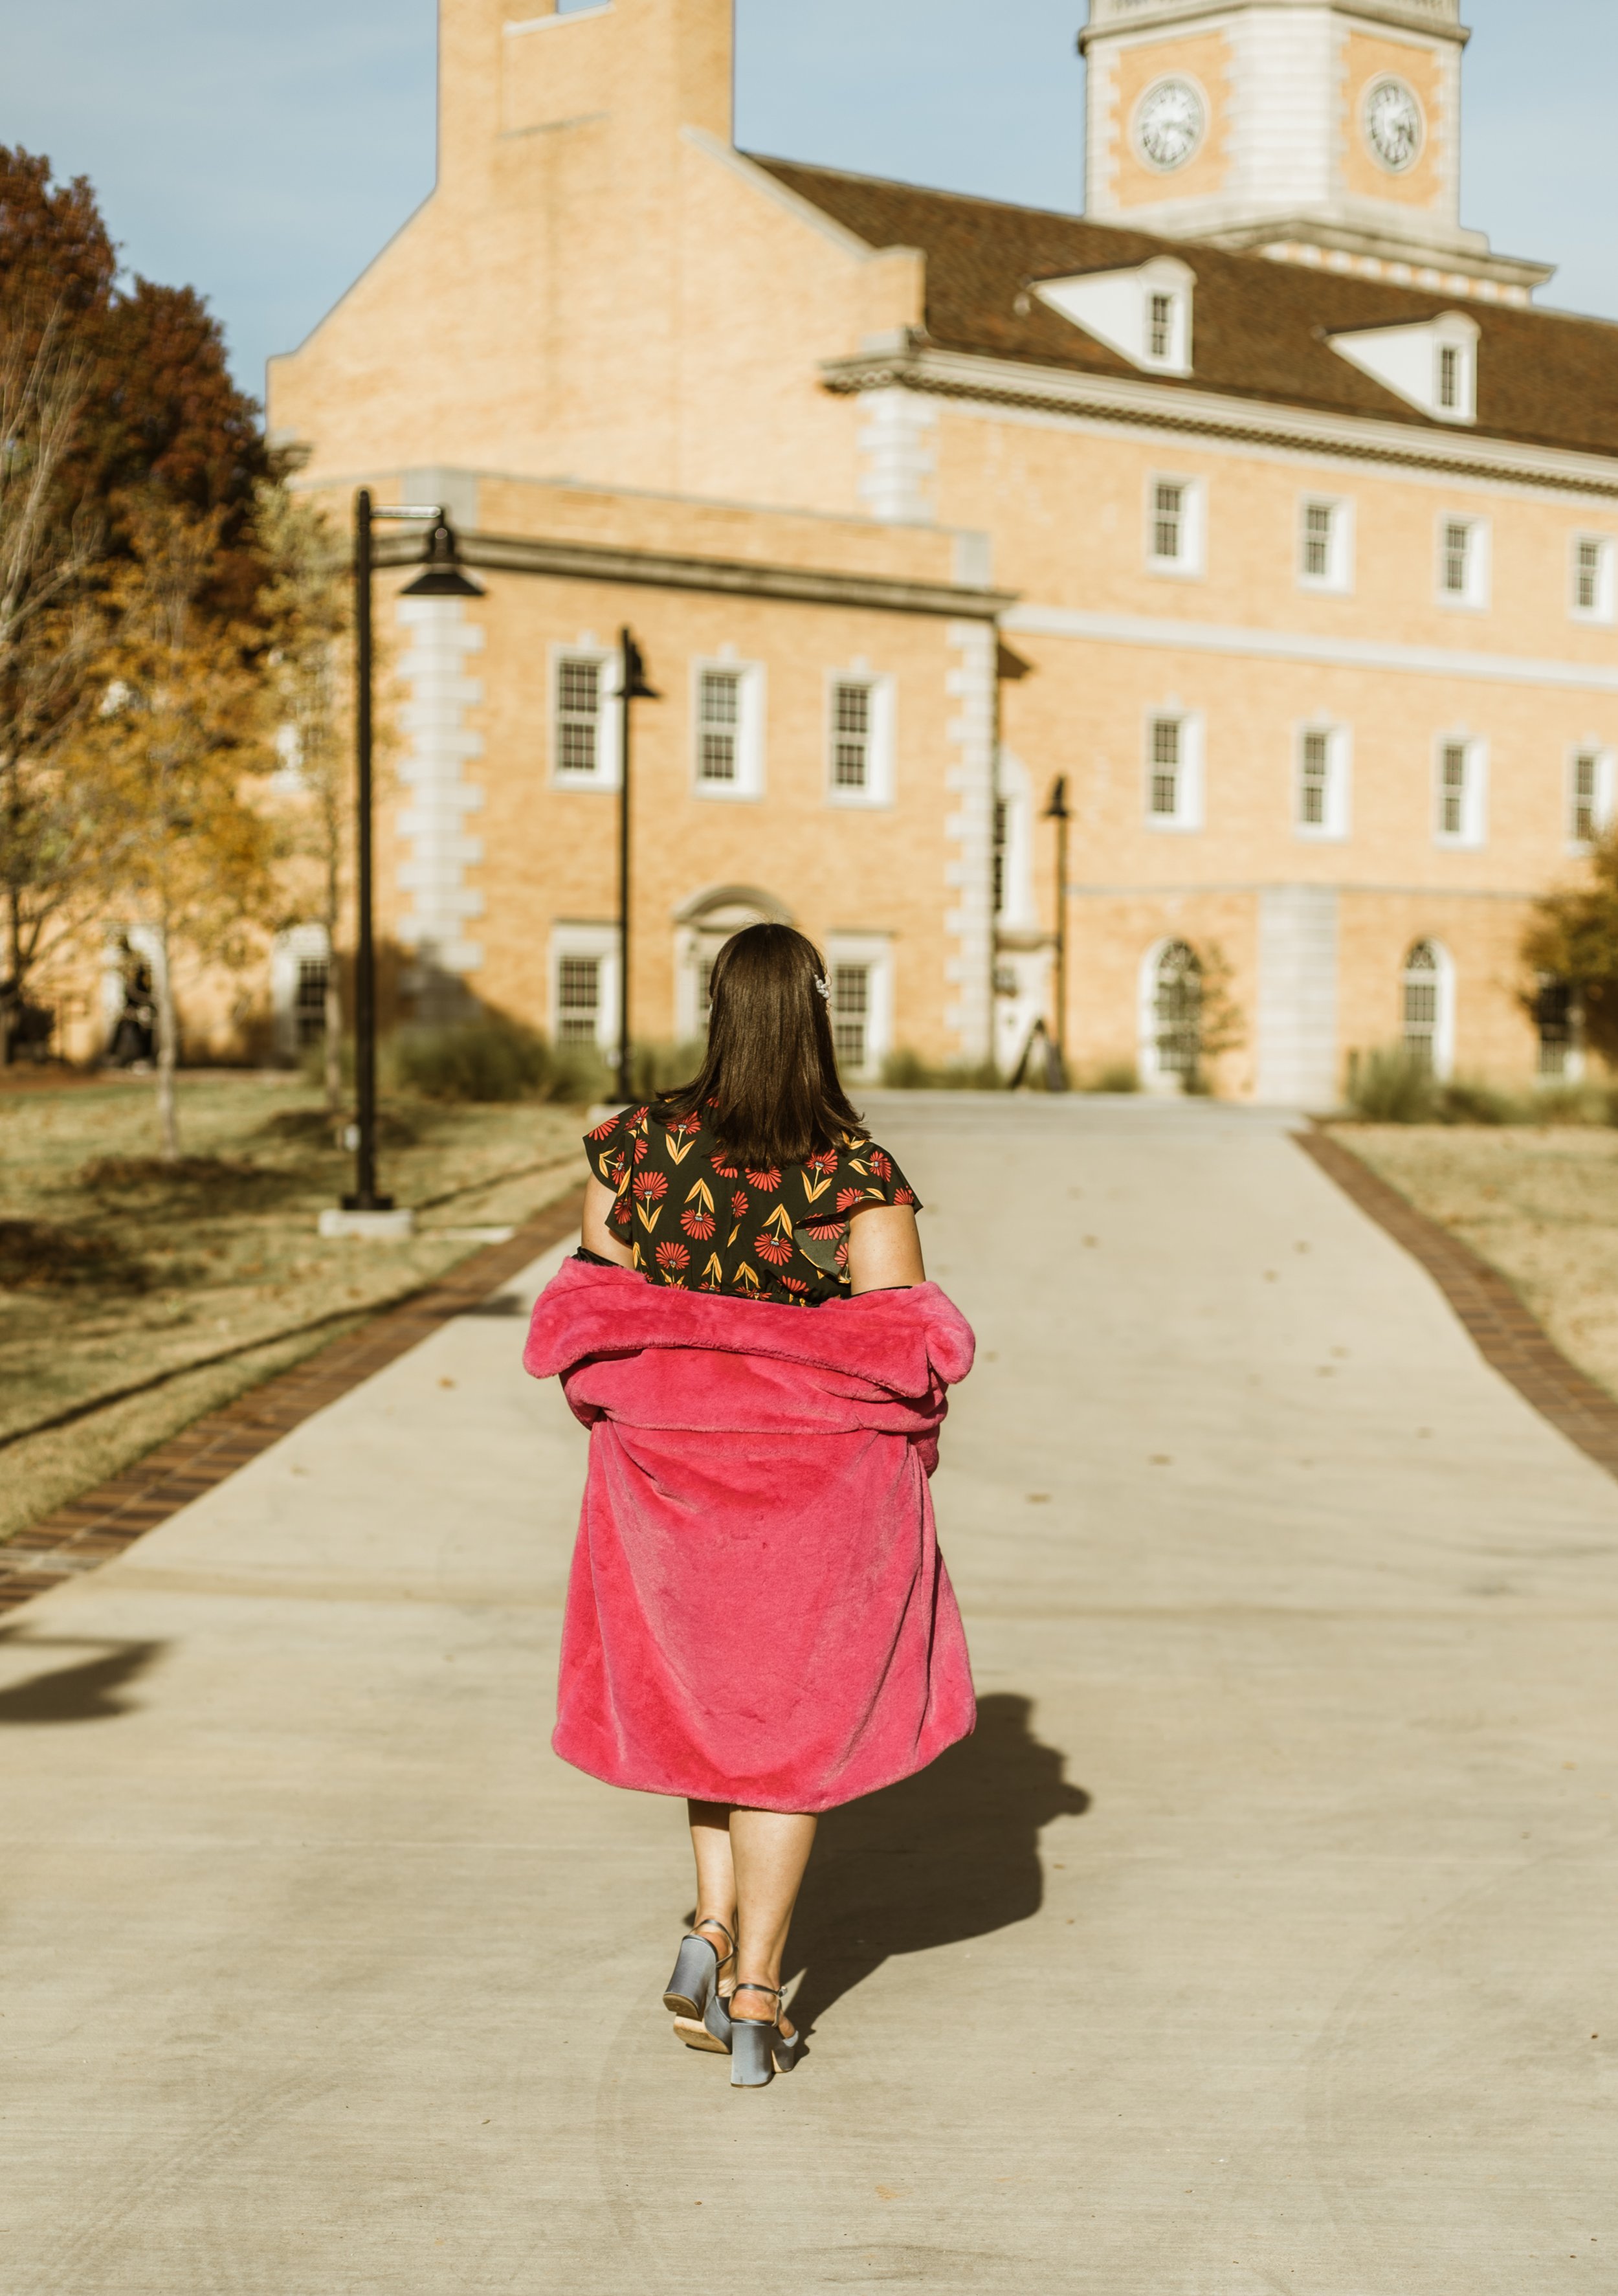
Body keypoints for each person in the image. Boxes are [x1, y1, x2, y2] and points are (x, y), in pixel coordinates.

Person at [523, 923, 976, 2087]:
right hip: (820, 1494)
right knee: (787, 1740)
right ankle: (757, 1994)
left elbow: (594, 1327)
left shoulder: (632, 1151)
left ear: (718, 1011)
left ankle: (710, 1921)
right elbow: (902, 1352)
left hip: (667, 1481)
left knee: (706, 1709)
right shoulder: (854, 1177)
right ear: (819, 1018)